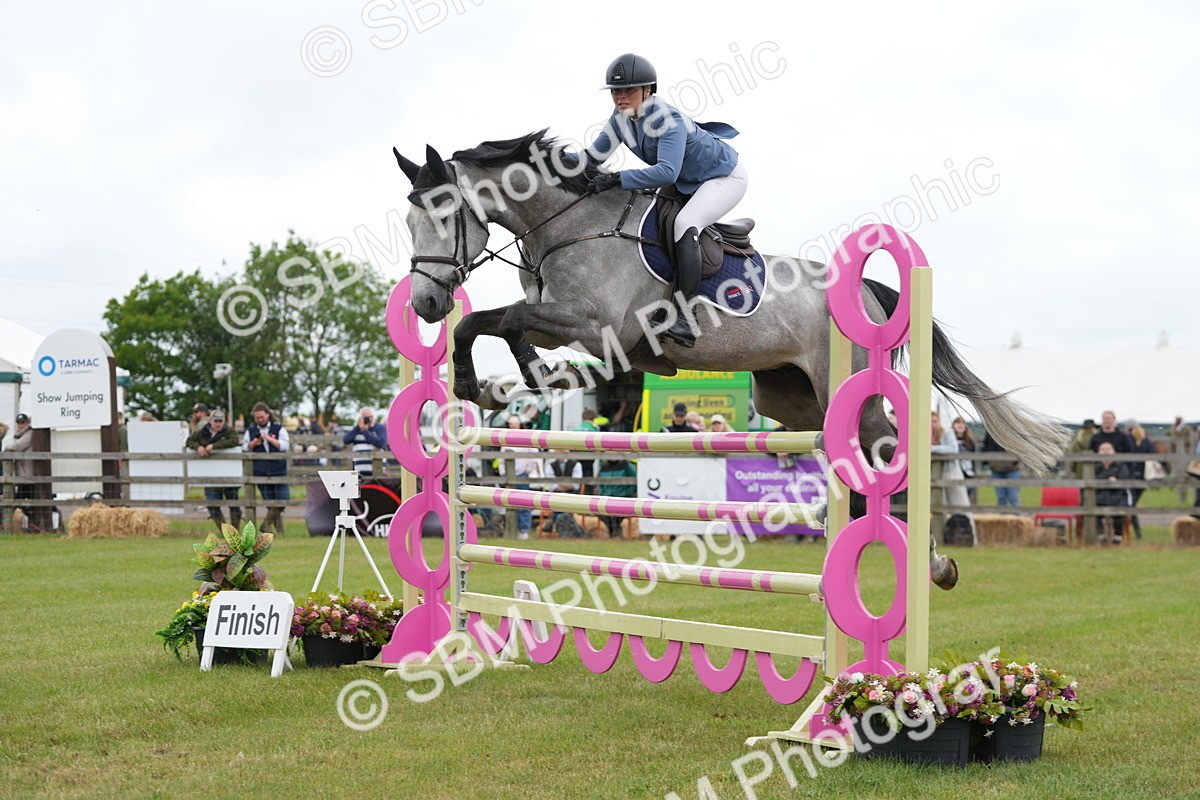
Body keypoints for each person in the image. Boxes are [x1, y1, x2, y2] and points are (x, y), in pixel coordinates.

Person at [582, 53, 746, 349]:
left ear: (648, 91)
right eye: (616, 91)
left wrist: (618, 178)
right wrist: (550, 162)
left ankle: (686, 318)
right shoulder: (620, 119)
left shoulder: (668, 120)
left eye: (628, 90)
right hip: (688, 182)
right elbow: (593, 157)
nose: (620, 97)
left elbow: (666, 172)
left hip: (723, 178)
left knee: (685, 223)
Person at [186, 409, 242, 533]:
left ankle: (235, 531)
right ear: (210, 420)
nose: (218, 423)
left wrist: (214, 446)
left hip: (229, 474)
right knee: (212, 504)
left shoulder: (229, 431)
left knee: (234, 504)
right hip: (210, 474)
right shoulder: (202, 431)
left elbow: (235, 441)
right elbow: (189, 441)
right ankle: (225, 531)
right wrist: (198, 447)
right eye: (216, 421)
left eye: (220, 421)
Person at [243, 402, 289, 533]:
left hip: (278, 469)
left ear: (268, 415)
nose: (260, 420)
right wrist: (253, 443)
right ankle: (280, 531)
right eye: (257, 418)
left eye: (262, 417)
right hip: (261, 471)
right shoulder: (251, 431)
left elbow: (284, 446)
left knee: (283, 499)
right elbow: (244, 448)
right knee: (270, 503)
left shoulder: (278, 428)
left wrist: (268, 438)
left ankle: (265, 525)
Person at [932, 412, 975, 545]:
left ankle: (971, 538)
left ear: (938, 421)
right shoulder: (923, 433)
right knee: (939, 507)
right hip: (933, 474)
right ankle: (943, 538)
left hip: (952, 471)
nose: (932, 424)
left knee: (962, 504)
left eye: (934, 421)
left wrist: (931, 448)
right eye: (930, 421)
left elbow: (953, 449)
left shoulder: (947, 433)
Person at [497, 415, 541, 540]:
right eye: (511, 424)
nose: (513, 426)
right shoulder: (505, 439)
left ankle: (524, 530)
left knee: (524, 503)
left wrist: (528, 470)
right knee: (509, 503)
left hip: (522, 474)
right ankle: (511, 529)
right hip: (509, 475)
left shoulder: (526, 437)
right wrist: (503, 473)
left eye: (515, 424)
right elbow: (501, 459)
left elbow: (533, 455)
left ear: (519, 424)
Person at [1095, 442, 1130, 543]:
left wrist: (1110, 482)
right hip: (1099, 497)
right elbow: (1093, 480)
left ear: (1114, 452)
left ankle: (1117, 537)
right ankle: (1101, 536)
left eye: (1109, 449)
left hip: (1117, 496)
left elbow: (1124, 479)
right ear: (1098, 453)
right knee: (1092, 507)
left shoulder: (1120, 465)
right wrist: (1108, 479)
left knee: (1119, 510)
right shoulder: (1094, 466)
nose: (1106, 451)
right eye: (1103, 449)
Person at [543, 451, 584, 537]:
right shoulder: (551, 466)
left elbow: (575, 485)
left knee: (563, 514)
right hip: (555, 498)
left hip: (572, 498)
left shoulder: (576, 464)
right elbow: (551, 486)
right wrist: (567, 484)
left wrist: (558, 483)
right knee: (559, 512)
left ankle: (562, 529)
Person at [597, 458, 637, 538]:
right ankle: (613, 532)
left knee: (615, 512)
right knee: (601, 512)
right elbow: (600, 484)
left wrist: (627, 492)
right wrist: (602, 493)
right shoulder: (603, 467)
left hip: (622, 497)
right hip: (606, 498)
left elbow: (635, 480)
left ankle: (615, 533)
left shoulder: (626, 465)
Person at [1128, 424, 1155, 539]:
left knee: (1131, 505)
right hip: (1143, 477)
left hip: (1130, 476)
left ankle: (1135, 530)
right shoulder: (1147, 441)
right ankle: (1136, 530)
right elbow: (1152, 455)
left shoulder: (1129, 440)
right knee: (1132, 505)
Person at [343, 406, 387, 478]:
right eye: (366, 418)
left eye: (371, 417)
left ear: (374, 417)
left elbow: (381, 443)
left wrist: (365, 431)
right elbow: (346, 440)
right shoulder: (357, 429)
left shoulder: (379, 428)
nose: (369, 420)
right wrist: (357, 427)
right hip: (359, 471)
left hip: (377, 471)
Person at [982, 431, 1020, 508]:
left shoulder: (1011, 429)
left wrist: (1015, 461)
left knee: (1013, 497)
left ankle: (1016, 518)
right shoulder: (990, 430)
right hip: (996, 468)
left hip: (1011, 468)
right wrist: (988, 461)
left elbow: (1019, 446)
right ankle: (1002, 518)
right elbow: (986, 445)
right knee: (1001, 497)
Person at [9, 414, 34, 519]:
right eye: (18, 423)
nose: (20, 425)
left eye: (23, 422)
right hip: (23, 475)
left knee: (19, 500)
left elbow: (19, 446)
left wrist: (7, 449)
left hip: (28, 475)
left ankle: (6, 524)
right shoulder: (20, 435)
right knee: (24, 501)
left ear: (27, 423)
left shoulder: (29, 433)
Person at [951, 416, 977, 503]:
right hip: (953, 472)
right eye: (958, 423)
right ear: (953, 425)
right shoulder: (950, 440)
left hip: (967, 474)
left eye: (962, 423)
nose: (960, 425)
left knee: (966, 495)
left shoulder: (970, 441)